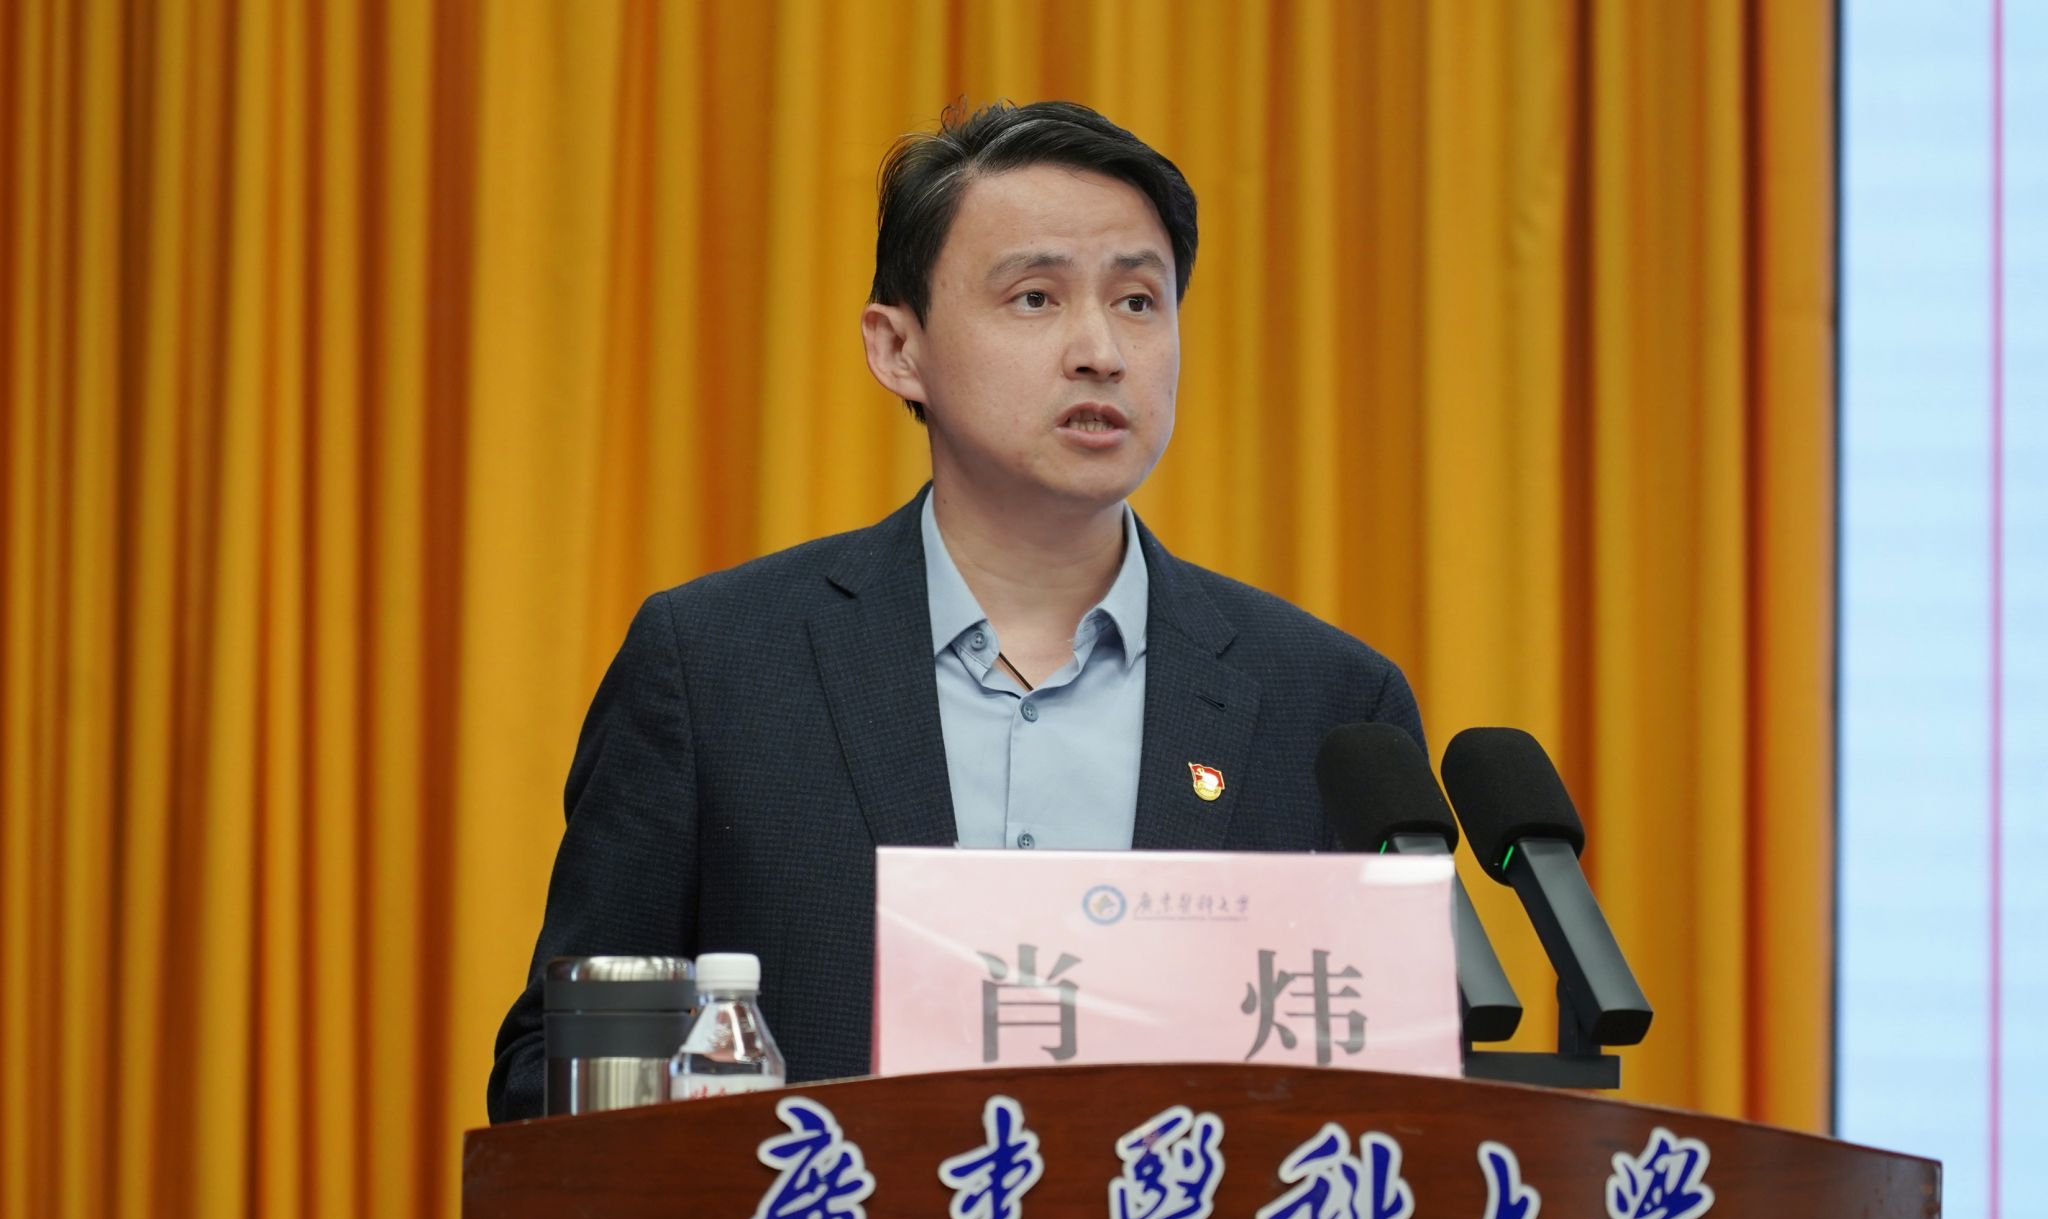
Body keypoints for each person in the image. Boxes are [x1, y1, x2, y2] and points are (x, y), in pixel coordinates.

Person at [487, 101, 1423, 1122]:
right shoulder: (716, 669)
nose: (1100, 350)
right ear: (898, 347)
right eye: (1034, 297)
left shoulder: (1331, 708)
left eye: (1138, 301)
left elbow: (1409, 1092)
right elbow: (556, 1069)